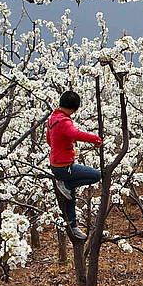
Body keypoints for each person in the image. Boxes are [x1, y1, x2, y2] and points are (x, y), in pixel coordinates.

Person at [47, 90, 103, 242]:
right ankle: (65, 182)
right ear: (74, 108)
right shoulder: (64, 122)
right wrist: (95, 139)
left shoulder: (52, 119)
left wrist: (61, 148)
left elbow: (49, 141)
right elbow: (74, 133)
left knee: (70, 194)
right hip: (65, 167)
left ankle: (73, 225)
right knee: (96, 175)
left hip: (55, 165)